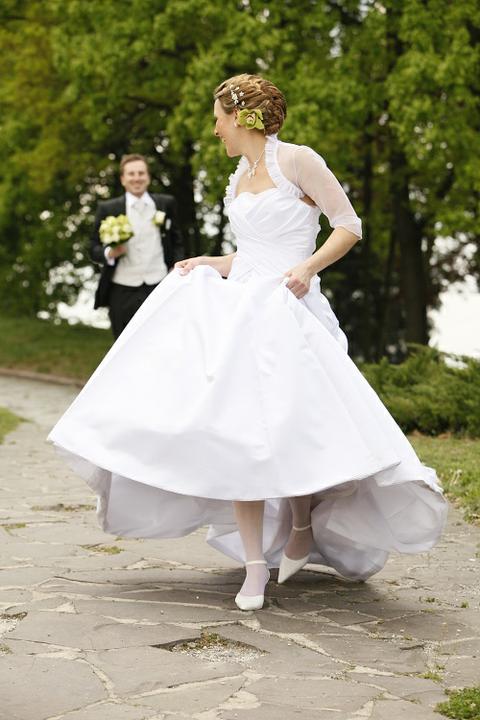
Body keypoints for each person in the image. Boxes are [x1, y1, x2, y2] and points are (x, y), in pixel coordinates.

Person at [49, 74, 447, 611]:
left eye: (218, 119)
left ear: (240, 117)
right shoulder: (237, 177)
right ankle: (256, 563)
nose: (215, 130)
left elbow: (348, 225)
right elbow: (250, 253)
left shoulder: (298, 161)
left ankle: (302, 523)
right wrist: (209, 263)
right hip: (243, 311)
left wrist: (307, 267)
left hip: (291, 309)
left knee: (291, 428)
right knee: (238, 432)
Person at [91, 154, 185, 338]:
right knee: (124, 345)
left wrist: (176, 267)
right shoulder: (108, 208)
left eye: (141, 173)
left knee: (162, 341)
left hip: (159, 285)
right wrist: (110, 252)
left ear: (148, 177)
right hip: (122, 290)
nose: (137, 178)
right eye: (131, 174)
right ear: (122, 179)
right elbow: (92, 246)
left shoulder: (166, 204)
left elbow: (178, 241)